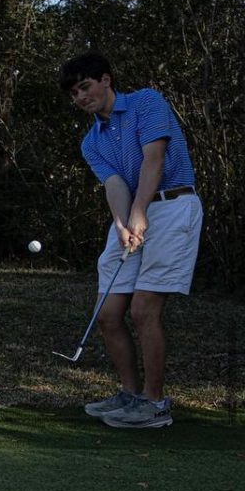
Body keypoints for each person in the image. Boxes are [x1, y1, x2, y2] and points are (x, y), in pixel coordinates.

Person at [59, 51, 202, 429]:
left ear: (106, 80)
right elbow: (115, 183)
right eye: (74, 94)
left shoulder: (146, 102)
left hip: (173, 206)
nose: (81, 97)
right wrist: (123, 223)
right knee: (108, 314)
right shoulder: (92, 141)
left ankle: (155, 404)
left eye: (85, 87)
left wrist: (139, 212)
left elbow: (153, 159)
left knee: (143, 310)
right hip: (135, 211)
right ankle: (131, 393)